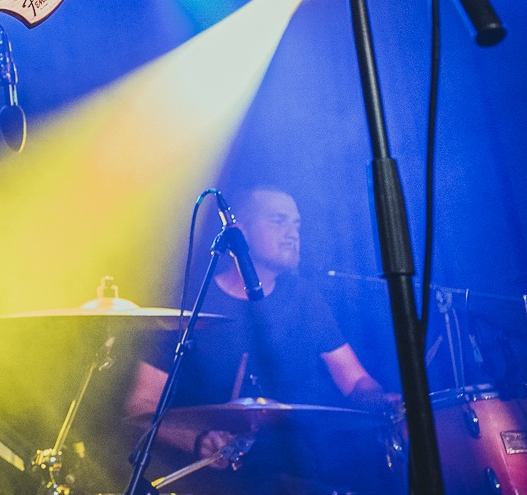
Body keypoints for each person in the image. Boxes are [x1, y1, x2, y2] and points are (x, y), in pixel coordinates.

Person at [123, 185, 393, 462]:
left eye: (296, 224)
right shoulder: (191, 302)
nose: (293, 234)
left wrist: (381, 403)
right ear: (240, 232)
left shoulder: (304, 299)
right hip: (199, 476)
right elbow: (141, 404)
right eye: (278, 221)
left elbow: (354, 379)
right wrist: (197, 441)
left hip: (289, 472)